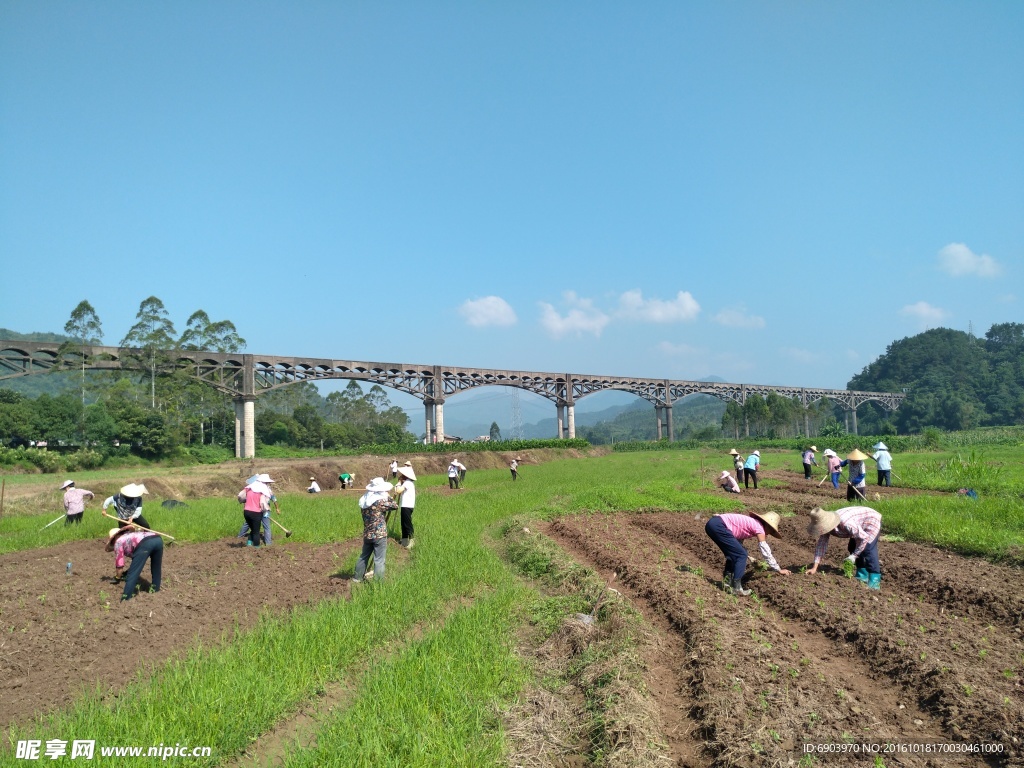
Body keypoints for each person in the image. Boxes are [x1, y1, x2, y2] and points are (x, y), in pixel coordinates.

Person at [704, 511, 790, 596]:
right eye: (771, 531)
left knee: (734, 554)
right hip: (719, 526)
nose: (768, 534)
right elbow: (765, 549)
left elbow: (737, 541)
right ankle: (737, 588)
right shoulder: (759, 528)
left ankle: (727, 583)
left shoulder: (752, 523)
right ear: (768, 526)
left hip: (713, 524)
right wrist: (778, 569)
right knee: (741, 555)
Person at [806, 506, 882, 589]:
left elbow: (864, 538)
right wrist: (814, 568)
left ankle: (874, 580)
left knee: (868, 549)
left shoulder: (846, 523)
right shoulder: (825, 527)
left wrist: (854, 555)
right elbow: (821, 545)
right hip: (857, 524)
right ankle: (862, 574)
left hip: (870, 520)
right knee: (852, 547)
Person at [353, 478, 398, 583]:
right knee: (379, 560)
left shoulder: (364, 501)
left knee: (364, 556)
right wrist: (389, 497)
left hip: (367, 534)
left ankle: (357, 578)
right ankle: (378, 583)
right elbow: (395, 506)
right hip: (379, 535)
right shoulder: (380, 502)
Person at [106, 525, 163, 601]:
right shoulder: (130, 535)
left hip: (145, 544)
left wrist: (117, 577)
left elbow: (120, 565)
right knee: (156, 568)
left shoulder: (118, 542)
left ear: (114, 539)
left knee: (133, 573)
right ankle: (155, 590)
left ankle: (125, 598)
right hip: (157, 539)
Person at [237, 474, 277, 547]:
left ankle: (248, 543)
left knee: (252, 528)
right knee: (257, 531)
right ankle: (257, 548)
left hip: (246, 512)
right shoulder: (262, 491)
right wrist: (265, 511)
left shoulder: (249, 488)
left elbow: (240, 496)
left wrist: (244, 501)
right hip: (257, 512)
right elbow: (263, 503)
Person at [394, 464, 417, 549]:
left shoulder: (408, 483)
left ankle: (411, 540)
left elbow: (398, 491)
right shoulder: (407, 483)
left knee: (407, 523)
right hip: (405, 506)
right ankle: (404, 540)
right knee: (403, 523)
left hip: (407, 506)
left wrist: (399, 483)